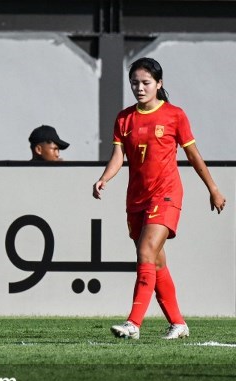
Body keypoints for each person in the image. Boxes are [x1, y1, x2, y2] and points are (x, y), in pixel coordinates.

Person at [92, 57, 226, 340]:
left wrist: (212, 188)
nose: (139, 88)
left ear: (159, 84)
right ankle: (179, 324)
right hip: (136, 198)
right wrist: (105, 178)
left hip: (165, 193)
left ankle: (133, 323)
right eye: (135, 83)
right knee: (156, 262)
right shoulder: (124, 118)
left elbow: (192, 154)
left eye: (145, 83)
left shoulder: (174, 115)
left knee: (145, 253)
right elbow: (119, 156)